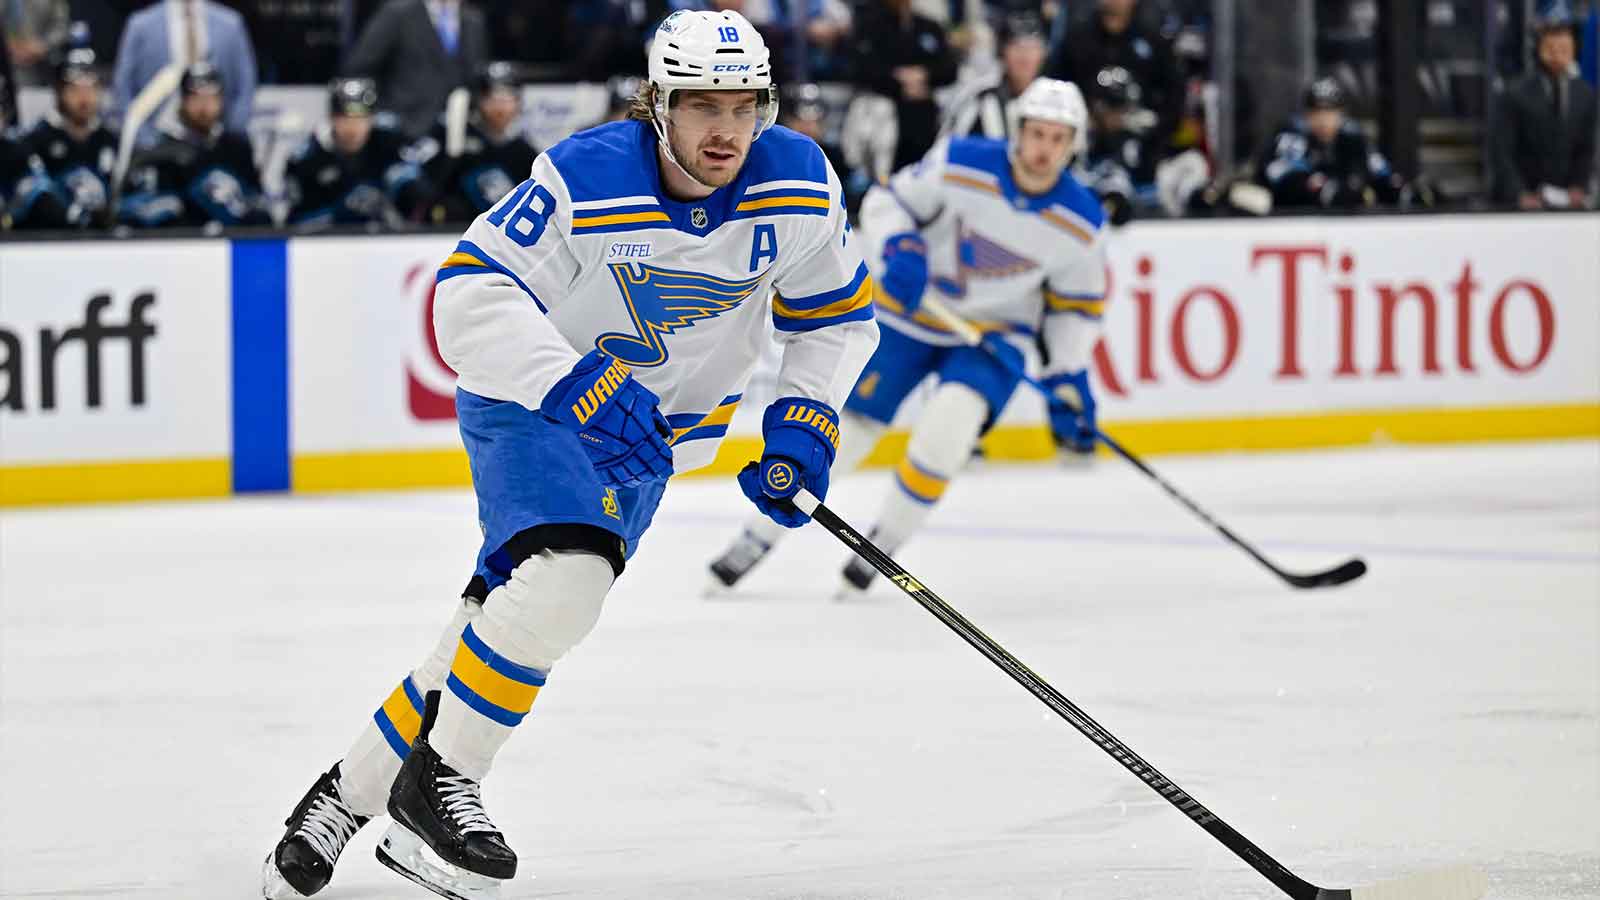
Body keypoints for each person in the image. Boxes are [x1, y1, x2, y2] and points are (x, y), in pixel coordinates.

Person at [261, 10, 877, 899]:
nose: (726, 129)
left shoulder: (801, 184)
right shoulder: (586, 177)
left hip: (651, 446)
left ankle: (345, 800)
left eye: (745, 106)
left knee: (506, 623)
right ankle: (445, 781)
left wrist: (806, 419)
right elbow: (469, 297)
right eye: (703, 105)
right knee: (569, 582)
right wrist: (573, 383)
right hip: (534, 404)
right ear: (658, 104)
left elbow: (835, 320)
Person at [707, 78, 1107, 597]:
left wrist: (1067, 373)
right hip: (907, 317)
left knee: (947, 434)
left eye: (1058, 138)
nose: (1044, 149)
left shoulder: (1082, 220)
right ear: (1018, 130)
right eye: (1037, 133)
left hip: (991, 337)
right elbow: (886, 202)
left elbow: (1075, 309)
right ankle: (757, 537)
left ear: (1073, 144)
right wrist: (902, 246)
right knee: (845, 436)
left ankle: (882, 546)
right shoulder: (962, 162)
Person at [117, 62, 271, 227]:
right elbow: (134, 214)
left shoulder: (237, 148)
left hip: (232, 244)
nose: (204, 106)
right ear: (183, 100)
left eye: (211, 97)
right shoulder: (162, 153)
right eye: (197, 97)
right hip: (183, 246)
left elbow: (259, 205)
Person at [283, 77, 427, 228]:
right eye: (345, 118)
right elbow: (293, 225)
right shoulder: (307, 160)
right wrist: (339, 212)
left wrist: (389, 206)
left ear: (372, 118)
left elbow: (418, 198)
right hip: (328, 246)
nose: (353, 128)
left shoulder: (389, 149)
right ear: (332, 117)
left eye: (361, 118)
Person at [1492, 2, 1596, 210]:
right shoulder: (1514, 94)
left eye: (1564, 44)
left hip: (1568, 204)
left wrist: (1578, 186)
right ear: (1539, 46)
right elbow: (1501, 153)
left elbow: (1586, 148)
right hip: (1523, 204)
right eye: (1552, 43)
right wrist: (1519, 194)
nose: (1558, 51)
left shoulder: (1586, 94)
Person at [409, 61, 539, 223]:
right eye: (493, 97)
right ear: (480, 99)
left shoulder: (524, 153)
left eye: (508, 98)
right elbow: (414, 176)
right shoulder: (447, 133)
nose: (500, 107)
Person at [1047, 0, 1182, 157]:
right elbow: (1055, 88)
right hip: (1083, 148)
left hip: (1144, 153)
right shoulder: (1076, 40)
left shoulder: (1155, 42)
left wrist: (1149, 128)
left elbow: (1175, 97)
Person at [110, 0, 258, 142]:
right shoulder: (140, 25)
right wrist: (143, 138)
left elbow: (246, 84)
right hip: (157, 137)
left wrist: (232, 132)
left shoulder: (231, 24)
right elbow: (122, 86)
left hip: (217, 136)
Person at [1255, 76, 1408, 210]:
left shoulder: (1353, 138)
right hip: (1291, 224)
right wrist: (1325, 190)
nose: (1323, 120)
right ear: (1306, 114)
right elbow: (1285, 178)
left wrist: (1403, 192)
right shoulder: (1293, 135)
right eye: (1317, 112)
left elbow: (1381, 173)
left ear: (1342, 113)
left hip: (1342, 225)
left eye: (1330, 112)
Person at [343, 0, 489, 138]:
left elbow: (475, 78)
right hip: (401, 131)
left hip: (454, 135)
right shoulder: (398, 13)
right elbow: (359, 67)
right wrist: (382, 116)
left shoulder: (473, 20)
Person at [11, 48, 119, 228]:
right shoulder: (35, 140)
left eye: (91, 88)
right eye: (75, 89)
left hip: (103, 244)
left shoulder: (111, 139)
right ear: (59, 91)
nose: (84, 98)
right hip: (49, 243)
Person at [850, 0, 958, 170]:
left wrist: (924, 75)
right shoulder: (870, 26)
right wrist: (899, 82)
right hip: (885, 116)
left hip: (925, 117)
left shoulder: (929, 27)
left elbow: (950, 69)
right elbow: (862, 69)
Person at [944, 12, 1049, 141]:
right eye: (1016, 47)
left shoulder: (1055, 98)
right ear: (1002, 52)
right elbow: (947, 150)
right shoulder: (978, 97)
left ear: (1043, 54)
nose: (1025, 56)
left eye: (1033, 48)